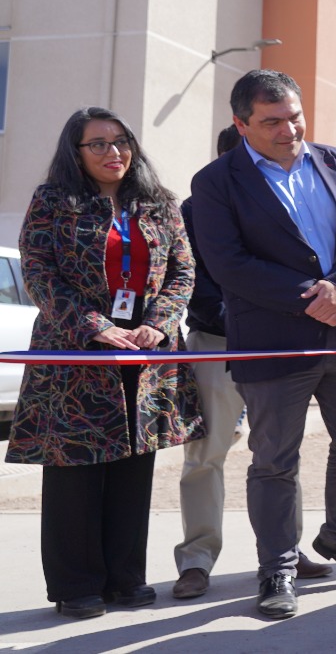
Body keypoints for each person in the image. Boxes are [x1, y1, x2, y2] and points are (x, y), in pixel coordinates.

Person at [190, 69, 336, 619]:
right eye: (272, 121)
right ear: (242, 124)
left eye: (295, 116)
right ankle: (278, 566)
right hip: (273, 340)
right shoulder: (215, 183)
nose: (289, 129)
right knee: (275, 459)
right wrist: (311, 295)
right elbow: (228, 263)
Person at [7, 107, 202, 619]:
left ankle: (125, 578)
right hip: (76, 356)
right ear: (76, 152)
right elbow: (39, 270)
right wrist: (96, 327)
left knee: (134, 466)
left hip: (145, 353)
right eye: (98, 144)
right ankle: (76, 584)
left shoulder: (158, 203)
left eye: (121, 142)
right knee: (76, 469)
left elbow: (184, 270)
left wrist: (157, 324)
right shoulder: (53, 200)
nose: (113, 152)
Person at [172, 126, 331, 600]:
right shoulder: (196, 209)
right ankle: (197, 559)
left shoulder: (287, 203)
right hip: (217, 341)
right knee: (205, 455)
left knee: (280, 453)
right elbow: (194, 279)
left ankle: (287, 551)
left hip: (274, 343)